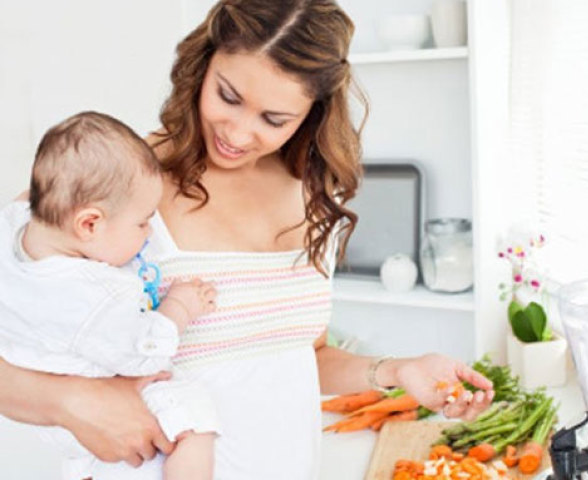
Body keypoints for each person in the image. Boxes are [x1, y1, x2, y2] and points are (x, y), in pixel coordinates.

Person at [0, 1, 495, 479]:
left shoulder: (311, 197)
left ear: (312, 114)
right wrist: (70, 402)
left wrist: (399, 371)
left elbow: (304, 356)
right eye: (228, 96)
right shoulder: (113, 186)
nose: (237, 133)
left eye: (274, 120)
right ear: (203, 65)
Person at [0, 111, 219, 480]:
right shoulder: (97, 295)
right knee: (195, 416)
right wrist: (180, 305)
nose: (148, 233)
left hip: (40, 406)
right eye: (142, 221)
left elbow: (23, 202)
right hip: (92, 396)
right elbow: (145, 355)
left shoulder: (11, 230)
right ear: (89, 224)